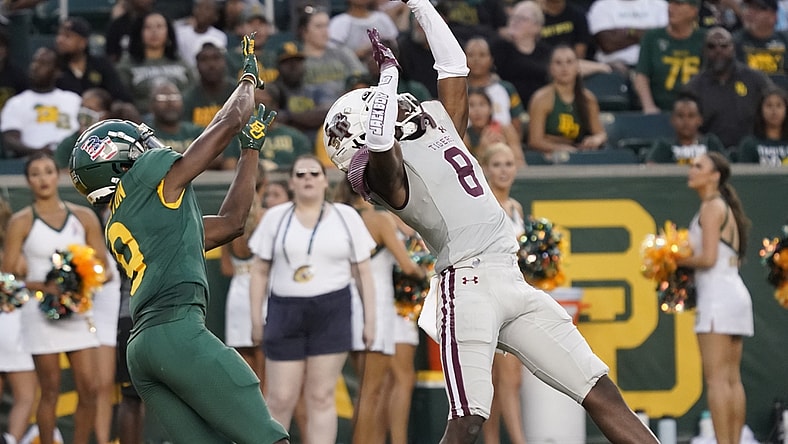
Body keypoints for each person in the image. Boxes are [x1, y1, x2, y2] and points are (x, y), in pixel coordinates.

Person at [323, 4, 658, 443]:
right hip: (465, 286)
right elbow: (383, 140)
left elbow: (454, 64)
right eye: (385, 105)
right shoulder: (387, 177)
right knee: (468, 420)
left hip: (511, 278)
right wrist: (386, 79)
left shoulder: (440, 130)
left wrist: (421, 6)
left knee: (601, 392)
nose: (408, 105)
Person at [68, 33, 289, 444]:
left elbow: (232, 221)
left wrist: (250, 152)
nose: (146, 144)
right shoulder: (146, 179)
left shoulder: (137, 211)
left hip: (144, 347)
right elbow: (226, 122)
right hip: (177, 330)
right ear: (119, 159)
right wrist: (246, 81)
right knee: (267, 437)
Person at [248, 155, 376, 444]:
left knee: (320, 395)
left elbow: (363, 273)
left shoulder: (346, 217)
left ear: (324, 181)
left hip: (332, 309)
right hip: (285, 309)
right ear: (292, 182)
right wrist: (256, 319)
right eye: (301, 173)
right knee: (280, 397)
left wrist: (371, 321)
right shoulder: (275, 217)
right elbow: (259, 271)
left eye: (314, 174)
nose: (307, 178)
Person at [2, 152, 105, 444]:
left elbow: (105, 269)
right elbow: (7, 277)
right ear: (28, 180)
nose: (43, 178)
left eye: (48, 171)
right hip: (39, 314)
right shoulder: (21, 222)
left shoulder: (83, 216)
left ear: (57, 176)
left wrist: (79, 281)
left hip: (79, 311)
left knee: (90, 388)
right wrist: (44, 286)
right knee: (49, 391)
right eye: (35, 174)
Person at [333, 178, 425, 444]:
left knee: (365, 390)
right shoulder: (379, 220)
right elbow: (408, 267)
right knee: (370, 392)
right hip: (376, 310)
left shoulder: (337, 218)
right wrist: (425, 274)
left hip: (346, 307)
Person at [676, 152, 753, 444]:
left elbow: (707, 258)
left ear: (715, 175)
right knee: (732, 379)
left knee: (717, 380)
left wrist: (674, 260)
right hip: (733, 294)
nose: (691, 170)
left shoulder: (711, 207)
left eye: (699, 166)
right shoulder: (722, 206)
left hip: (718, 299)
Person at [478, 143, 527, 444]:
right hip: (489, 297)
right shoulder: (482, 205)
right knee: (505, 379)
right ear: (484, 168)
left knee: (501, 381)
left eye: (509, 164)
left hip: (515, 296)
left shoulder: (516, 208)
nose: (504, 170)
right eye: (497, 164)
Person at [682, 26, 773, 154]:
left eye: (724, 46)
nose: (718, 50)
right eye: (711, 46)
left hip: (752, 152)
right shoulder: (694, 86)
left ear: (733, 48)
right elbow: (685, 126)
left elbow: (775, 106)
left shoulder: (755, 79)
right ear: (705, 51)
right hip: (710, 155)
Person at [0, 195, 37, 444]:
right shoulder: (11, 245)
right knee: (26, 395)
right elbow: (15, 278)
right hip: (11, 322)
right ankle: (11, 440)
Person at [0, 47, 81, 159]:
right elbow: (10, 138)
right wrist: (37, 151)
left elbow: (85, 130)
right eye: (35, 61)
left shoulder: (73, 100)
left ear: (57, 71)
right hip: (30, 163)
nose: (35, 67)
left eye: (44, 63)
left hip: (70, 162)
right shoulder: (16, 103)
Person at [527, 45, 608, 156]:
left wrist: (596, 139)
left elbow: (600, 133)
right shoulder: (541, 99)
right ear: (550, 68)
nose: (564, 67)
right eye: (558, 63)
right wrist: (561, 148)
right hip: (549, 157)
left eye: (569, 62)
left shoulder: (588, 99)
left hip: (580, 154)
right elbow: (535, 141)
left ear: (577, 67)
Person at [115, 11, 194, 116]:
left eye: (159, 26)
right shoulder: (126, 65)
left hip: (181, 118)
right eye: (148, 27)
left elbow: (194, 90)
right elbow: (122, 98)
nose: (154, 31)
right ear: (139, 32)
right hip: (143, 120)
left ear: (168, 31)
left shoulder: (181, 62)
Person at [633, 0, 706, 113]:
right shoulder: (652, 37)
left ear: (693, 11)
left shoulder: (704, 39)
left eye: (678, 4)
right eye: (670, 3)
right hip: (660, 109)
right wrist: (649, 107)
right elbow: (641, 76)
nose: (671, 8)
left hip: (697, 111)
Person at [54, 16, 132, 103]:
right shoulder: (53, 66)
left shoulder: (100, 65)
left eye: (67, 36)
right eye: (59, 35)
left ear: (83, 42)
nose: (59, 40)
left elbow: (120, 96)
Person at [489, 1, 552, 109]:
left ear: (537, 26)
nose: (514, 21)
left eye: (522, 18)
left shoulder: (546, 51)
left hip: (540, 107)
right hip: (506, 108)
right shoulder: (498, 47)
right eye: (513, 17)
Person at [464, 37, 526, 140]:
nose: (476, 60)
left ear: (491, 59)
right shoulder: (455, 90)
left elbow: (517, 125)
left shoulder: (506, 88)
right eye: (470, 55)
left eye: (482, 55)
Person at [586, 0, 668, 74]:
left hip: (654, 69)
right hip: (613, 69)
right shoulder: (601, 6)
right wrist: (645, 35)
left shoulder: (660, 5)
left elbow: (664, 40)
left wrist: (628, 32)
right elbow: (607, 44)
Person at [646, 94, 726, 164]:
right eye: (680, 116)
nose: (686, 121)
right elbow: (650, 171)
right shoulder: (663, 146)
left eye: (691, 116)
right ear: (672, 120)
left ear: (700, 120)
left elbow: (727, 169)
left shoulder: (711, 143)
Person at [465, 87, 526, 166]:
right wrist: (481, 150)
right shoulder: (465, 136)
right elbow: (466, 170)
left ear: (490, 109)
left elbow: (520, 162)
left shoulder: (506, 130)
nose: (477, 110)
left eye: (482, 104)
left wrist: (502, 150)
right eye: (471, 105)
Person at [329, 0, 399, 64]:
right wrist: (362, 52)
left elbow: (394, 47)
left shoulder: (382, 18)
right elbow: (334, 56)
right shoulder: (339, 22)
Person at [733, 0, 788, 76]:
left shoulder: (785, 40)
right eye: (747, 7)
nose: (749, 12)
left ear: (773, 16)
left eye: (756, 9)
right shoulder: (733, 43)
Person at [737, 86, 788, 165]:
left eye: (779, 105)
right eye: (769, 105)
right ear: (761, 110)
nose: (774, 110)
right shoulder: (749, 144)